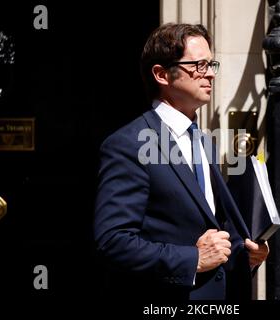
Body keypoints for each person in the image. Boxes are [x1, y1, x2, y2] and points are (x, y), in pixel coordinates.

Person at [94, 23, 269, 301]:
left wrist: (245, 255)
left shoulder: (202, 141)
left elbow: (210, 226)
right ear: (162, 74)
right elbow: (113, 242)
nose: (210, 74)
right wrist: (193, 259)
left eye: (211, 64)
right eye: (198, 65)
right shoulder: (128, 144)